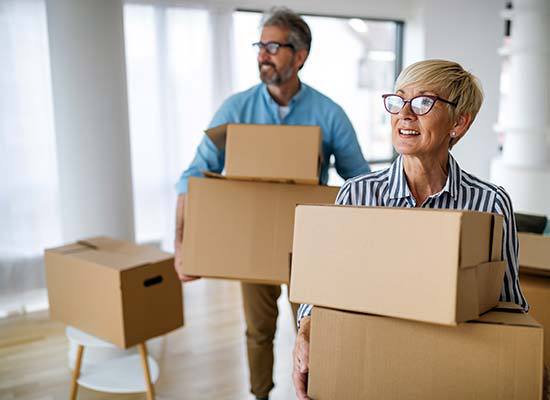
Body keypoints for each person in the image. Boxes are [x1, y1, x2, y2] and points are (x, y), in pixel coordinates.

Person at [292, 59, 529, 400]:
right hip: (366, 366)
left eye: (422, 102)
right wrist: (306, 332)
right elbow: (323, 290)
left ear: (458, 122)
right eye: (398, 100)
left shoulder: (489, 204)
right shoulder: (357, 195)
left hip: (449, 373)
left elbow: (509, 303)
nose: (404, 114)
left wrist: (527, 364)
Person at [173, 7, 370, 400]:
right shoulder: (236, 109)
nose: (263, 54)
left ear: (300, 56)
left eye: (273, 46)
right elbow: (193, 175)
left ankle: (313, 393)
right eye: (259, 45)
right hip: (254, 244)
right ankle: (259, 395)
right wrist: (182, 247)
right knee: (258, 331)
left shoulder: (329, 114)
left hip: (310, 248)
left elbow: (361, 182)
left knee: (312, 332)